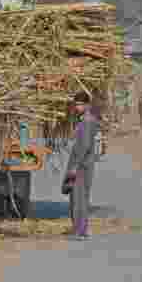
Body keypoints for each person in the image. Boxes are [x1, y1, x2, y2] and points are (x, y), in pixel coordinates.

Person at [63, 91, 98, 241]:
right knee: (77, 197)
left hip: (82, 166)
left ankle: (80, 230)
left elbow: (84, 146)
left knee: (79, 199)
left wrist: (74, 166)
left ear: (87, 105)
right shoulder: (84, 120)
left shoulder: (88, 121)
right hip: (82, 164)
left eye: (80, 104)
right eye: (76, 104)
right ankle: (79, 229)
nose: (77, 107)